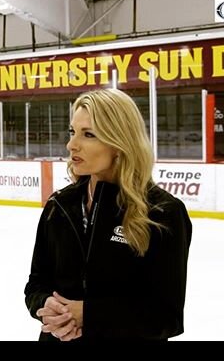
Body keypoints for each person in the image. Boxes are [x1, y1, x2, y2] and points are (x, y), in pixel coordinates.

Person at [24, 89, 191, 342]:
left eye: (88, 134)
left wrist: (90, 316)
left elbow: (166, 316)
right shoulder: (59, 206)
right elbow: (36, 284)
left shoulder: (162, 213)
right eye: (72, 132)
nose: (72, 145)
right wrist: (47, 307)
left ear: (119, 141)